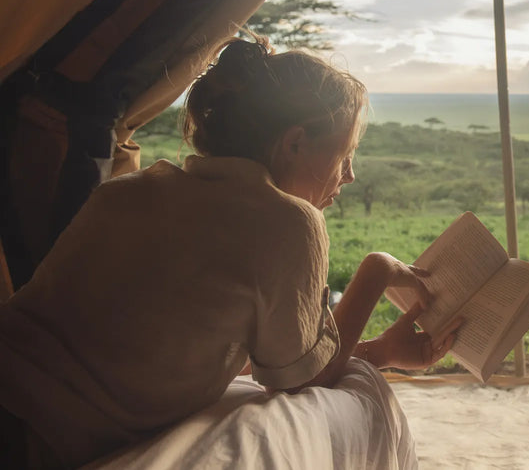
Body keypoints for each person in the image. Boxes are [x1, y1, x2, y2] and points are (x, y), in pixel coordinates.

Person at [0, 36, 460, 469]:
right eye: (344, 155)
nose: (350, 175)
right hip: (37, 442)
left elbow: (243, 358)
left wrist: (379, 349)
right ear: (294, 142)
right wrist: (377, 271)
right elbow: (302, 382)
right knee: (359, 400)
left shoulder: (132, 189)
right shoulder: (288, 222)